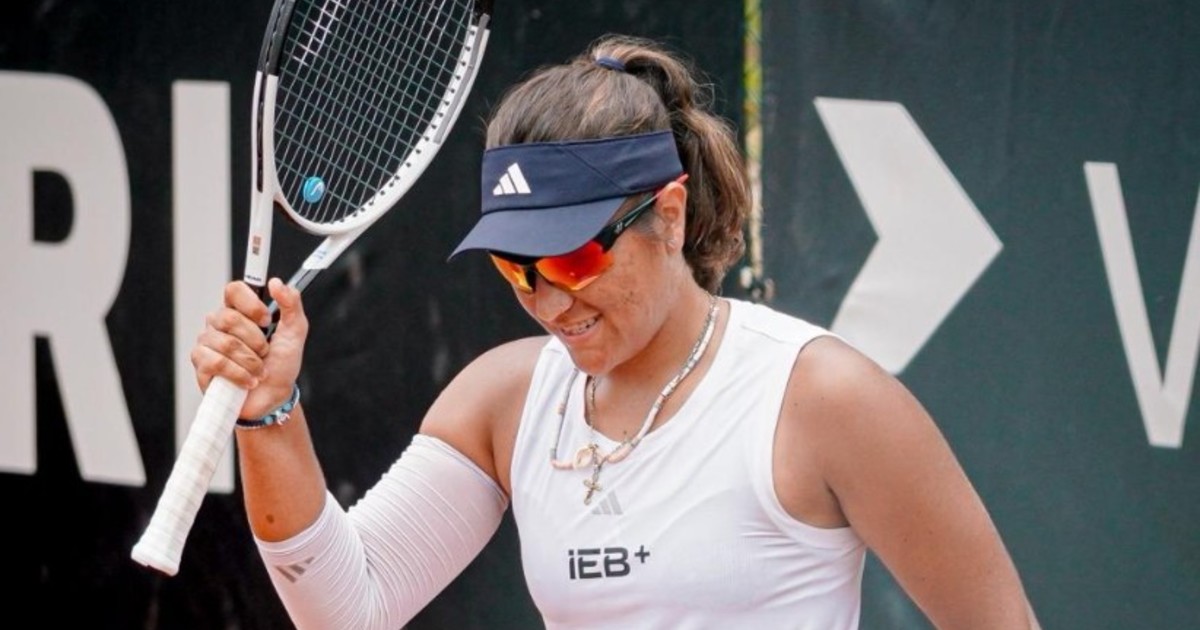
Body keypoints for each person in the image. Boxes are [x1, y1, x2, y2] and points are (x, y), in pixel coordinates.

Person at [193, 34, 1040, 629]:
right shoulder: (505, 398)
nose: (547, 300)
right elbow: (348, 611)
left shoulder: (823, 397)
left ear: (668, 214)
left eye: (572, 258)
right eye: (516, 268)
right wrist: (270, 415)